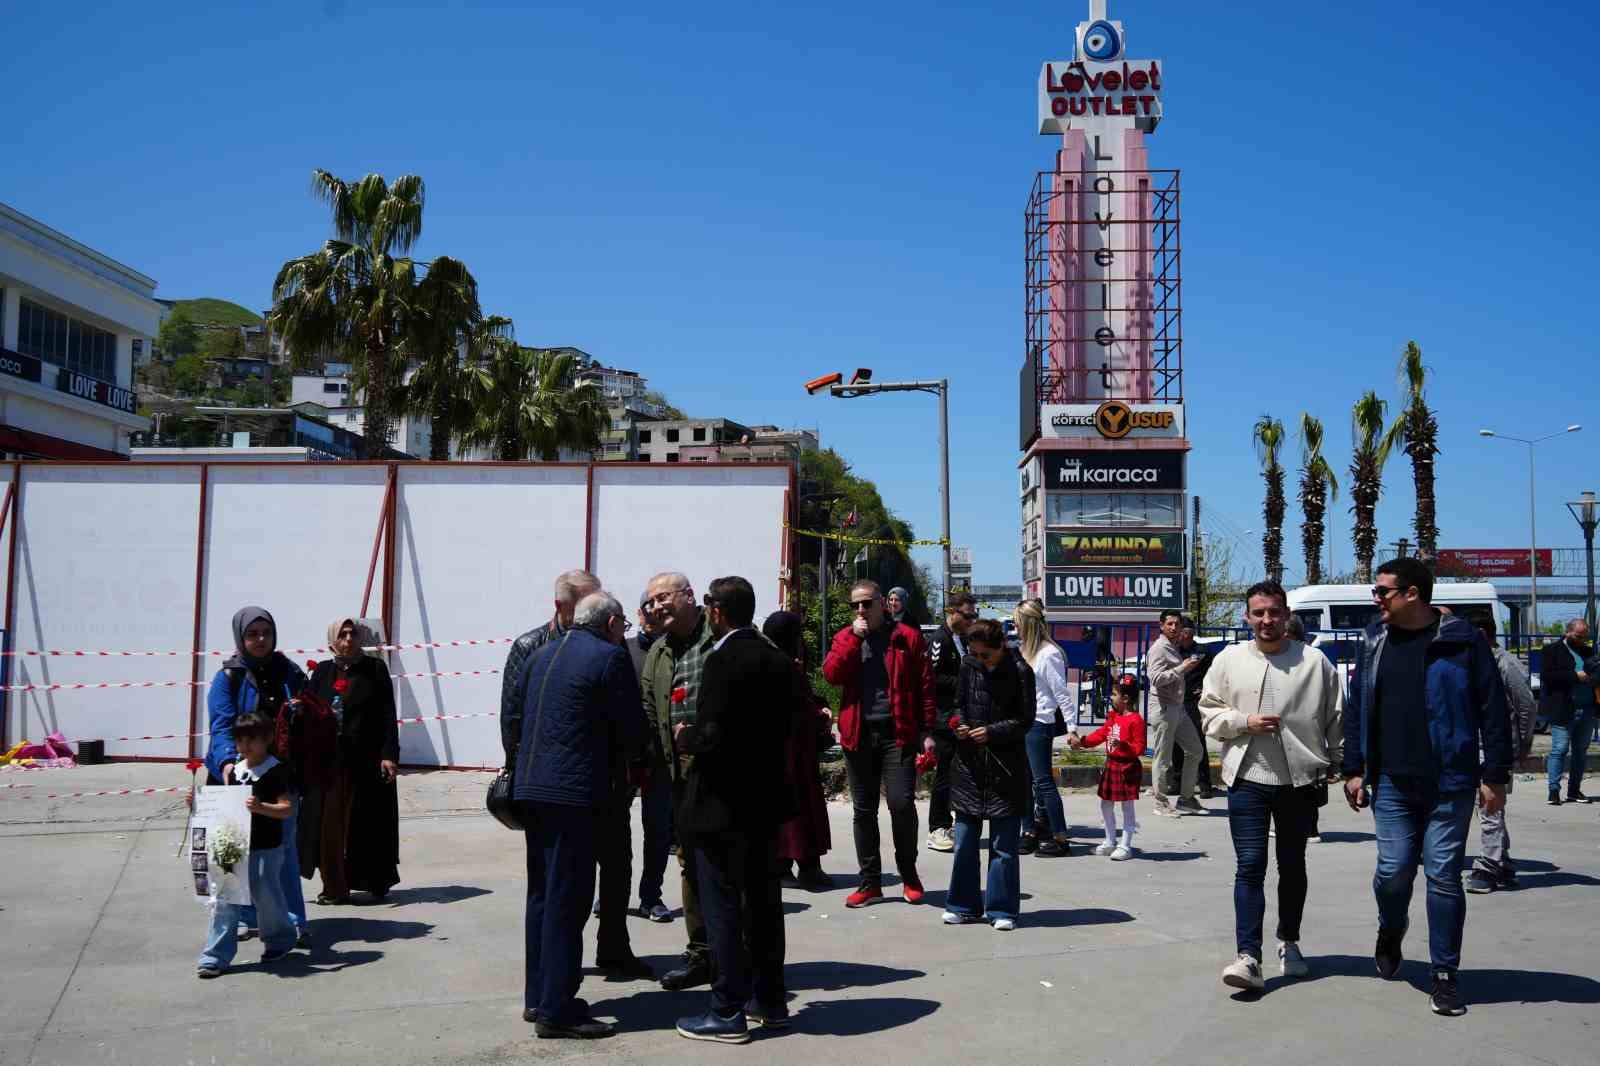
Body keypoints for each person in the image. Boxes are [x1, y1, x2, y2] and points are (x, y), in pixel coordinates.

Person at [1341, 557, 1513, 1017]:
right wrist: (1353, 768)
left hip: (1450, 781)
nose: (1375, 599)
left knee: (1442, 877)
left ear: (1412, 594)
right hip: (1392, 781)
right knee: (1394, 872)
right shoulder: (1375, 640)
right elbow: (1359, 706)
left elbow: (1493, 708)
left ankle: (1444, 974)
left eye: (1382, 591)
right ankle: (1390, 928)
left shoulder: (1462, 640)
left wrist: (1494, 776)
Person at [514, 591, 647, 1040]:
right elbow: (632, 729)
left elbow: (516, 716)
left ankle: (539, 995)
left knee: (542, 896)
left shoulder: (540, 655)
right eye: (623, 625)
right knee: (568, 901)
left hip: (531, 789)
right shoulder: (609, 659)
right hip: (573, 794)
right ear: (610, 624)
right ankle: (557, 1010)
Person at [1200, 581, 1343, 994]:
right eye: (1258, 613)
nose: (1266, 620)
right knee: (1249, 866)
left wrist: (1339, 764)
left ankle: (1290, 941)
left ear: (1287, 616)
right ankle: (1248, 957)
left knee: (1292, 866)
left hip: (1298, 783)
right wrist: (1244, 722)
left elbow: (1336, 716)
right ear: (1247, 617)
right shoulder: (1228, 660)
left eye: (1274, 612)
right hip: (1247, 780)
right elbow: (1209, 711)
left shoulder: (1315, 663)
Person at [674, 577, 798, 1044]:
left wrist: (688, 737)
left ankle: (726, 1009)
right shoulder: (777, 659)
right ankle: (770, 998)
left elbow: (714, 735)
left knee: (723, 906)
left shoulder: (722, 659)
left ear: (718, 611)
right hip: (764, 804)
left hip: (722, 806)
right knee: (765, 904)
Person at [822, 579, 937, 908]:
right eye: (854, 605)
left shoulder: (907, 638)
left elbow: (925, 687)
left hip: (897, 734)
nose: (860, 610)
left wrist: (927, 731)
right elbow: (832, 674)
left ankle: (909, 875)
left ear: (882, 605)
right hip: (858, 734)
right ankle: (870, 882)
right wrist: (854, 640)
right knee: (863, 809)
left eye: (866, 603)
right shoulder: (846, 637)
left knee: (901, 804)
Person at [204, 606, 309, 947]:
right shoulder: (228, 677)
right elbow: (220, 725)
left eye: (265, 632)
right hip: (236, 777)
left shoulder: (289, 672)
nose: (260, 639)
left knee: (282, 854)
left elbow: (306, 719)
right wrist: (226, 765)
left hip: (277, 777)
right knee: (232, 857)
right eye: (252, 634)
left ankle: (292, 921)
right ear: (241, 638)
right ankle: (242, 920)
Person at [639, 570, 720, 991]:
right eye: (651, 601)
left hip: (724, 779)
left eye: (664, 597)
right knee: (689, 864)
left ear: (690, 596)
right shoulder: (659, 651)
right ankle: (701, 953)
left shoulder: (720, 638)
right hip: (679, 781)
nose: (656, 606)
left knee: (728, 866)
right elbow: (649, 711)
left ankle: (738, 954)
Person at [941, 619, 1032, 931]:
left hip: (1005, 770)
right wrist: (959, 725)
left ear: (1001, 648)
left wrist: (992, 732)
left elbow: (1025, 720)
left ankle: (1002, 909)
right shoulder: (968, 666)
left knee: (1003, 847)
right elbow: (956, 706)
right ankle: (962, 904)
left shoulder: (1021, 672)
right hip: (969, 768)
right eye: (974, 654)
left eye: (985, 656)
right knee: (964, 842)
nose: (979, 660)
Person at [303, 618, 400, 905]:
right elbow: (308, 715)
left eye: (352, 634)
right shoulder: (321, 673)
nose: (348, 640)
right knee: (330, 827)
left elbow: (387, 715)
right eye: (342, 635)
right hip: (331, 763)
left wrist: (389, 755)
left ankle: (376, 881)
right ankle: (334, 887)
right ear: (332, 641)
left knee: (370, 823)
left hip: (368, 761)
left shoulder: (375, 669)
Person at [197, 712, 298, 978]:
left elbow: (286, 809)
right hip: (232, 843)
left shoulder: (276, 770)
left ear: (267, 739)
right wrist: (197, 805)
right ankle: (215, 956)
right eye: (240, 741)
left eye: (251, 740)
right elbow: (221, 805)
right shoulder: (235, 771)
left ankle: (279, 939)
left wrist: (262, 807)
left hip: (266, 847)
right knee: (225, 900)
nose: (245, 747)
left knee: (265, 893)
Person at [762, 610, 835, 891]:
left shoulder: (770, 662)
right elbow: (799, 706)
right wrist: (822, 715)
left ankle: (783, 865)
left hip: (783, 750)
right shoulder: (784, 666)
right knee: (802, 807)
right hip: (794, 751)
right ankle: (807, 866)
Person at [1466, 616, 1536, 893]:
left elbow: (1527, 706)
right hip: (1477, 744)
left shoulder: (1505, 663)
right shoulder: (1475, 663)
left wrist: (1523, 743)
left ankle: (1490, 865)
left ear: (1482, 634)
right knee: (1488, 806)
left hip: (1498, 746)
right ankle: (1502, 862)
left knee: (1489, 806)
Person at [627, 592, 674, 923]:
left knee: (658, 830)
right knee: (614, 832)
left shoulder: (673, 652)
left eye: (661, 610)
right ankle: (613, 893)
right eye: (648, 608)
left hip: (660, 757)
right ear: (639, 612)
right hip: (624, 756)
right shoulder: (621, 649)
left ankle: (650, 896)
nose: (653, 615)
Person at [1014, 600, 1074, 856]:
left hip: (1039, 723)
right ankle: (1029, 830)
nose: (1014, 628)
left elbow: (1062, 693)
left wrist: (1072, 727)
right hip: (1023, 722)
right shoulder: (1025, 650)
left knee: (1043, 782)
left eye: (1017, 623)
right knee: (1024, 781)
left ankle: (1060, 837)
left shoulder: (1048, 653)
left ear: (1027, 624)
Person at [925, 593, 978, 853]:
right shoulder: (939, 639)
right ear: (952, 612)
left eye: (974, 616)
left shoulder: (963, 639)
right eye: (968, 615)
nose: (972, 620)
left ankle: (954, 820)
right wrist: (964, 681)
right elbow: (933, 679)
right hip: (944, 718)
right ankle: (937, 826)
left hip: (960, 718)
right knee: (944, 775)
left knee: (960, 773)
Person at [1072, 674, 1146, 860]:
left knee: (1127, 807)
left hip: (1127, 767)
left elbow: (1140, 747)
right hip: (1112, 765)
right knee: (1106, 804)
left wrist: (1125, 746)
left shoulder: (1136, 720)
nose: (1110, 698)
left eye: (1114, 694)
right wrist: (1081, 742)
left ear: (1126, 699)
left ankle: (1126, 845)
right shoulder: (1113, 718)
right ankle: (1110, 841)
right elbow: (1099, 735)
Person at [1146, 608, 1206, 816]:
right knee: (1163, 757)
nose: (1173, 627)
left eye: (1176, 624)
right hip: (1163, 707)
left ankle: (1187, 798)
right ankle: (1160, 802)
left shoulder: (1174, 647)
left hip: (1177, 708)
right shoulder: (1159, 648)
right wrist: (1183, 668)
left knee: (1195, 750)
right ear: (1161, 626)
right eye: (1169, 624)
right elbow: (1155, 679)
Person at [1537, 619, 1596, 805]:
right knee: (1560, 749)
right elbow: (1548, 676)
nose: (1581, 640)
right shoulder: (1551, 650)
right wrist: (1575, 676)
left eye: (1584, 636)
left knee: (1580, 751)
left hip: (1586, 709)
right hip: (1563, 709)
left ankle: (1574, 790)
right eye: (1578, 636)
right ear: (1568, 632)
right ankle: (1554, 791)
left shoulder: (1588, 651)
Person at [1166, 618, 1217, 800]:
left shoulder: (1202, 652)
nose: (1184, 633)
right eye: (1182, 630)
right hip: (1175, 701)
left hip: (1193, 702)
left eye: (1187, 630)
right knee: (1175, 743)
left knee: (1197, 743)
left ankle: (1205, 784)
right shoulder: (1173, 651)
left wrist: (1205, 689)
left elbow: (1214, 674)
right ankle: (1176, 783)